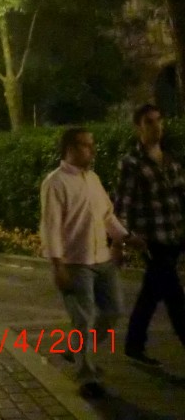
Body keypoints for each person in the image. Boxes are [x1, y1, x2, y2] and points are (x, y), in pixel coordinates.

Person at [41, 126, 141, 399]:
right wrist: (57, 264)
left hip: (102, 259)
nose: (92, 150)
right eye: (86, 145)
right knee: (83, 319)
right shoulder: (55, 182)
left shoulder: (93, 179)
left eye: (91, 144)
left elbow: (107, 215)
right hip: (75, 262)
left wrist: (124, 237)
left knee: (112, 311)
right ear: (70, 149)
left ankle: (76, 350)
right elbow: (51, 226)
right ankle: (86, 376)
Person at [114, 103, 185, 366]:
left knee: (151, 293)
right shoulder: (131, 163)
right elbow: (122, 204)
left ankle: (134, 344)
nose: (156, 127)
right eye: (149, 122)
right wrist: (122, 241)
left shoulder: (170, 161)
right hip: (151, 239)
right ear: (138, 128)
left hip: (174, 235)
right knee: (175, 297)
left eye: (158, 121)